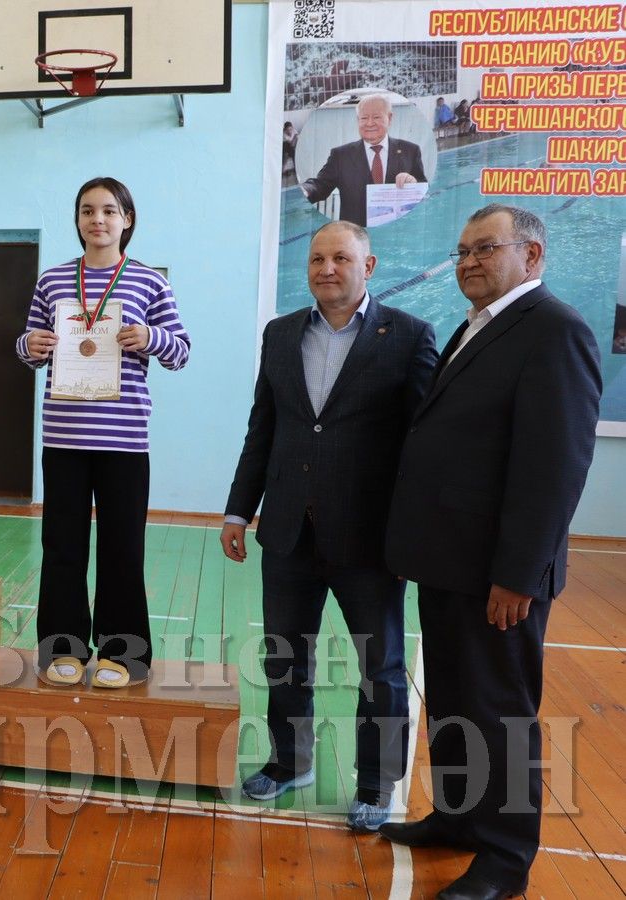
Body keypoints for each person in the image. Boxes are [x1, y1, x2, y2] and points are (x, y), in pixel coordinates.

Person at [381, 205, 600, 900]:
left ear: (530, 257)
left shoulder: (553, 331)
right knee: (451, 701)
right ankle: (455, 817)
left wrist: (517, 575)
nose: (467, 261)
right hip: (449, 563)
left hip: (496, 576)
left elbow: (553, 468)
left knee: (498, 714)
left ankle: (504, 859)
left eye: (484, 249)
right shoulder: (481, 325)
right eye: (460, 251)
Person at [221, 221, 437, 831]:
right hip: (288, 531)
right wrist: (240, 508)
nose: (326, 268)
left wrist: (414, 531)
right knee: (286, 657)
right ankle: (290, 763)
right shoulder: (282, 334)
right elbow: (263, 427)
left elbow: (424, 447)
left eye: (341, 257)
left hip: (369, 540)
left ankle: (376, 783)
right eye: (317, 258)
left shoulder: (410, 337)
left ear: (369, 266)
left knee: (381, 667)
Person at [17, 177, 190, 688]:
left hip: (124, 439)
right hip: (64, 437)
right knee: (62, 547)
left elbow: (180, 350)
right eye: (88, 210)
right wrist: (35, 343)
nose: (98, 220)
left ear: (127, 220)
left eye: (109, 211)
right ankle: (62, 650)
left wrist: (151, 337)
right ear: (77, 220)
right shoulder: (52, 282)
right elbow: (24, 347)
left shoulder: (148, 283)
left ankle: (125, 654)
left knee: (122, 548)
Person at [301, 94, 427, 227]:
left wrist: (413, 183)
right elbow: (320, 185)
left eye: (376, 117)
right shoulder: (341, 155)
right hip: (355, 234)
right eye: (364, 118)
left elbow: (423, 189)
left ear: (389, 118)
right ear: (358, 120)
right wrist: (306, 189)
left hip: (398, 232)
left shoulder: (410, 151)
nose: (369, 123)